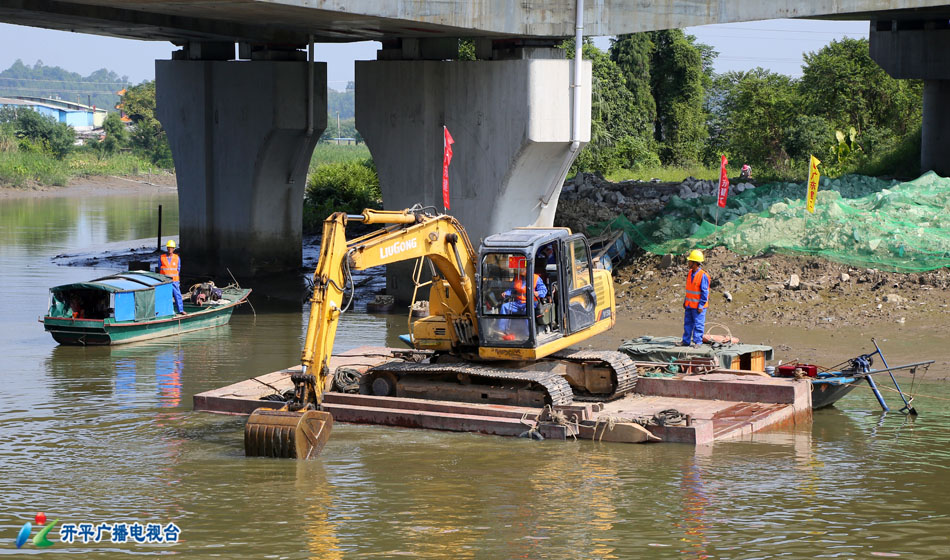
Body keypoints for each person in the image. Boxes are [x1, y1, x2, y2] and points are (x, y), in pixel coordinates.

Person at [499, 259, 547, 341]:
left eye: (522, 269)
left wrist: (537, 293)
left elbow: (544, 290)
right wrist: (506, 293)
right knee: (504, 307)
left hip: (531, 303)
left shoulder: (536, 278)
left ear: (527, 268)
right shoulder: (517, 278)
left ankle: (527, 335)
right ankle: (502, 331)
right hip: (518, 303)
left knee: (527, 311)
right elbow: (512, 289)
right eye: (519, 269)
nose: (520, 270)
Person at [679, 249, 709, 348]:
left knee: (698, 324)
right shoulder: (690, 273)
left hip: (698, 307)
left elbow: (705, 292)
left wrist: (701, 305)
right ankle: (686, 341)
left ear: (695, 263)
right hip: (689, 305)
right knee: (687, 324)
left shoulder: (702, 276)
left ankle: (698, 342)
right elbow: (689, 289)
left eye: (690, 261)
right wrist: (685, 301)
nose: (688, 263)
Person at [160, 239, 184, 314]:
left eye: (171, 248)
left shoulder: (177, 258)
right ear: (167, 248)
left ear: (174, 249)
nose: (170, 249)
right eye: (168, 247)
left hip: (174, 281)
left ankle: (181, 310)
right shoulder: (161, 257)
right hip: (165, 281)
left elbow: (178, 269)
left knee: (177, 295)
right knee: (166, 296)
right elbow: (160, 268)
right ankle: (167, 311)